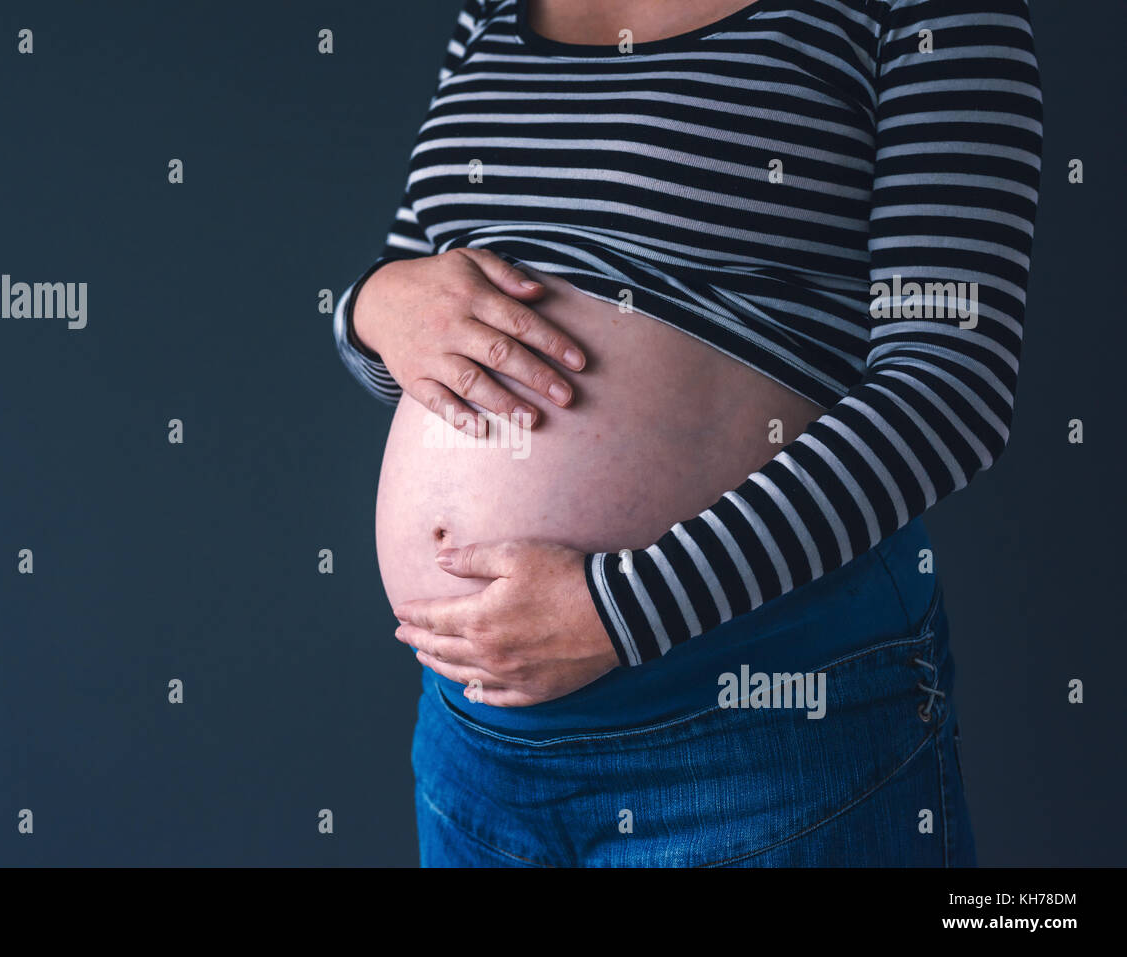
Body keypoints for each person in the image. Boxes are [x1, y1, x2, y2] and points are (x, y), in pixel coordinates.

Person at [333, 0, 1042, 866]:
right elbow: (424, 288)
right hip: (477, 746)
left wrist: (624, 610)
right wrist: (368, 309)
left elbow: (951, 386)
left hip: (758, 731)